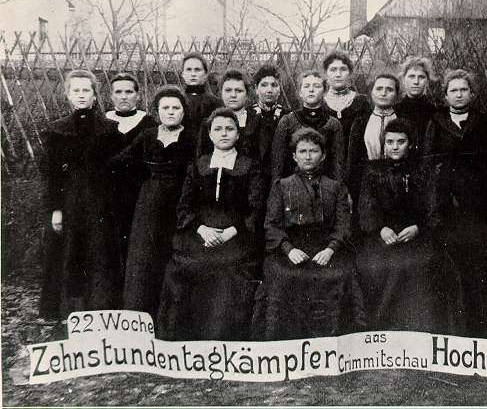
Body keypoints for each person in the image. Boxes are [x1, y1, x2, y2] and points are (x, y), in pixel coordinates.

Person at [157, 108, 262, 340]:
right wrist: (202, 229)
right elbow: (184, 206)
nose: (224, 133)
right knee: (187, 265)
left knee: (228, 269)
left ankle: (223, 336)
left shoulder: (249, 165)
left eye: (229, 129)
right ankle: (186, 337)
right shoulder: (198, 165)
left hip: (236, 234)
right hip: (200, 232)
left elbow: (255, 208)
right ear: (210, 134)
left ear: (238, 134)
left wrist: (229, 233)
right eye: (218, 129)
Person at [253, 128, 365, 340]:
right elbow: (272, 225)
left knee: (338, 276)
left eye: (313, 151)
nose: (307, 156)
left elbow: (343, 225)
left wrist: (330, 250)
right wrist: (289, 249)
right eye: (302, 151)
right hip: (291, 249)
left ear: (323, 155)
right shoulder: (281, 186)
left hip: (326, 249)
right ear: (294, 156)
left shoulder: (335, 187)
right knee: (283, 276)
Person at [39, 69, 123, 318]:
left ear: (95, 95)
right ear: (68, 95)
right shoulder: (57, 131)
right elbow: (51, 176)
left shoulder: (110, 130)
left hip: (101, 203)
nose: (81, 95)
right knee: (69, 253)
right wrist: (55, 209)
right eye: (76, 90)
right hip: (70, 202)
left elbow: (118, 170)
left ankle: (101, 310)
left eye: (86, 90)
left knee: (100, 253)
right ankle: (71, 312)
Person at [424, 69, 487, 337]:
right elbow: (429, 160)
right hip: (447, 201)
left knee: (479, 263)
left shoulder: (482, 121)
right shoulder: (436, 122)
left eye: (463, 90)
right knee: (451, 263)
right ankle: (452, 329)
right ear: (445, 96)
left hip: (476, 200)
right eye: (453, 91)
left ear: (472, 93)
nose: (459, 95)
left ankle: (481, 328)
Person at [112, 85, 195, 318]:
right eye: (165, 108)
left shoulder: (192, 137)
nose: (170, 112)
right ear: (157, 111)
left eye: (175, 108)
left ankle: (169, 318)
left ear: (183, 111)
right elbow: (121, 161)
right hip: (149, 203)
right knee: (144, 256)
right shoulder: (148, 135)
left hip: (179, 201)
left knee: (172, 255)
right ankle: (140, 315)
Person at [355, 118, 439, 332]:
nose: (394, 147)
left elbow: (432, 206)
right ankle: (381, 327)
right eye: (390, 142)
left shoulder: (422, 170)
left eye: (401, 142)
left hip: (414, 234)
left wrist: (418, 228)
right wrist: (380, 228)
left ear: (410, 144)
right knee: (376, 266)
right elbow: (366, 205)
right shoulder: (373, 170)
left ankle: (415, 327)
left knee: (417, 265)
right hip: (382, 235)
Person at [106, 73, 157, 267]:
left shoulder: (149, 123)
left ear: (138, 95)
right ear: (111, 96)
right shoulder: (103, 123)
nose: (124, 96)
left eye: (129, 92)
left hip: (139, 193)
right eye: (118, 92)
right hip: (110, 193)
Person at [346, 72, 404, 216]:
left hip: (398, 182)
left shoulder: (403, 120)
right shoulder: (361, 121)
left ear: (397, 95)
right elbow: (353, 159)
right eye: (379, 89)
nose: (383, 93)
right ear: (371, 93)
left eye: (389, 89)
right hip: (367, 184)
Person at [271, 70, 344, 182]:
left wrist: (337, 188)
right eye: (306, 86)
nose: (311, 90)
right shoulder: (287, 121)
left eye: (317, 86)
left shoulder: (333, 124)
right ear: (300, 92)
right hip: (293, 185)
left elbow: (337, 164)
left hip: (324, 185)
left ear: (324, 92)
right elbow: (278, 162)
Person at [197, 69, 262, 160]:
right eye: (228, 90)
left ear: (247, 94)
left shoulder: (258, 122)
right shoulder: (208, 123)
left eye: (238, 91)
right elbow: (201, 160)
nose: (233, 95)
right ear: (221, 93)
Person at [322, 51, 370, 151]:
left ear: (350, 73)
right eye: (333, 70)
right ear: (326, 74)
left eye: (343, 69)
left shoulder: (361, 102)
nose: (338, 74)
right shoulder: (319, 104)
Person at [252, 65, 290, 182]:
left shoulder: (288, 116)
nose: (269, 90)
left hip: (281, 177)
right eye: (264, 85)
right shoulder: (248, 115)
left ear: (280, 89)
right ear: (256, 89)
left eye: (274, 85)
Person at [394, 56, 437, 151]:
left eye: (421, 77)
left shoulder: (435, 113)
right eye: (411, 76)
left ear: (427, 82)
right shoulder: (394, 111)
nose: (416, 82)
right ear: (403, 80)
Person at [179, 52, 222, 136]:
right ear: (183, 74)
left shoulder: (216, 104)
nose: (193, 74)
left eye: (197, 70)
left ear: (205, 74)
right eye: (189, 69)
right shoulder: (177, 102)